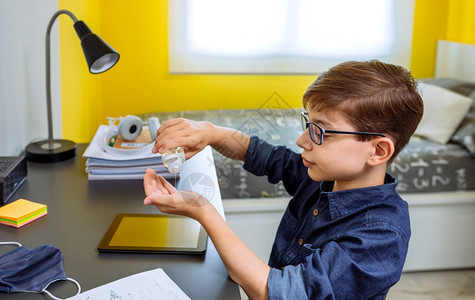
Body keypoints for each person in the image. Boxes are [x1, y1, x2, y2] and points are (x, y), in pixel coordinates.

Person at [143, 60, 424, 299]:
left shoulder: (380, 236)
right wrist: (211, 132)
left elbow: (275, 292)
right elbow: (264, 155)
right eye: (307, 123)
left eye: (320, 132)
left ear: (378, 150)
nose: (302, 140)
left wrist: (203, 211)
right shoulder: (322, 177)